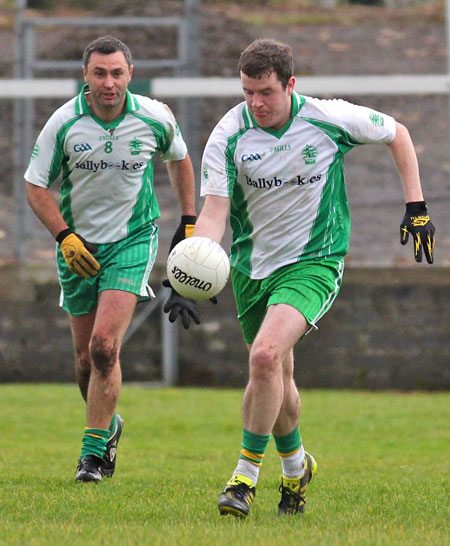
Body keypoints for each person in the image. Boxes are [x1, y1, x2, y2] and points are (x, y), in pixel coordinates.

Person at [190, 38, 435, 518]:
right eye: (247, 93)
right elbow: (215, 212)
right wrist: (192, 268)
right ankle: (297, 468)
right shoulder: (228, 135)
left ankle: (243, 478)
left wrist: (416, 206)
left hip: (314, 262)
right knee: (276, 376)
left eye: (265, 92)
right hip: (250, 267)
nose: (256, 103)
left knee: (263, 357)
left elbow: (397, 133)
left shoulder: (327, 118)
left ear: (290, 85)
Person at [25, 35, 199, 482]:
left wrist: (188, 220)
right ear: (85, 76)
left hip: (132, 240)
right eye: (99, 73)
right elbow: (35, 187)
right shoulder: (64, 123)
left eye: (117, 73)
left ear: (130, 75)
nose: (109, 82)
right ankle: (109, 428)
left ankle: (91, 458)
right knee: (85, 360)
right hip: (78, 248)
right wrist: (64, 236)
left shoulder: (154, 117)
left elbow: (179, 160)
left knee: (105, 347)